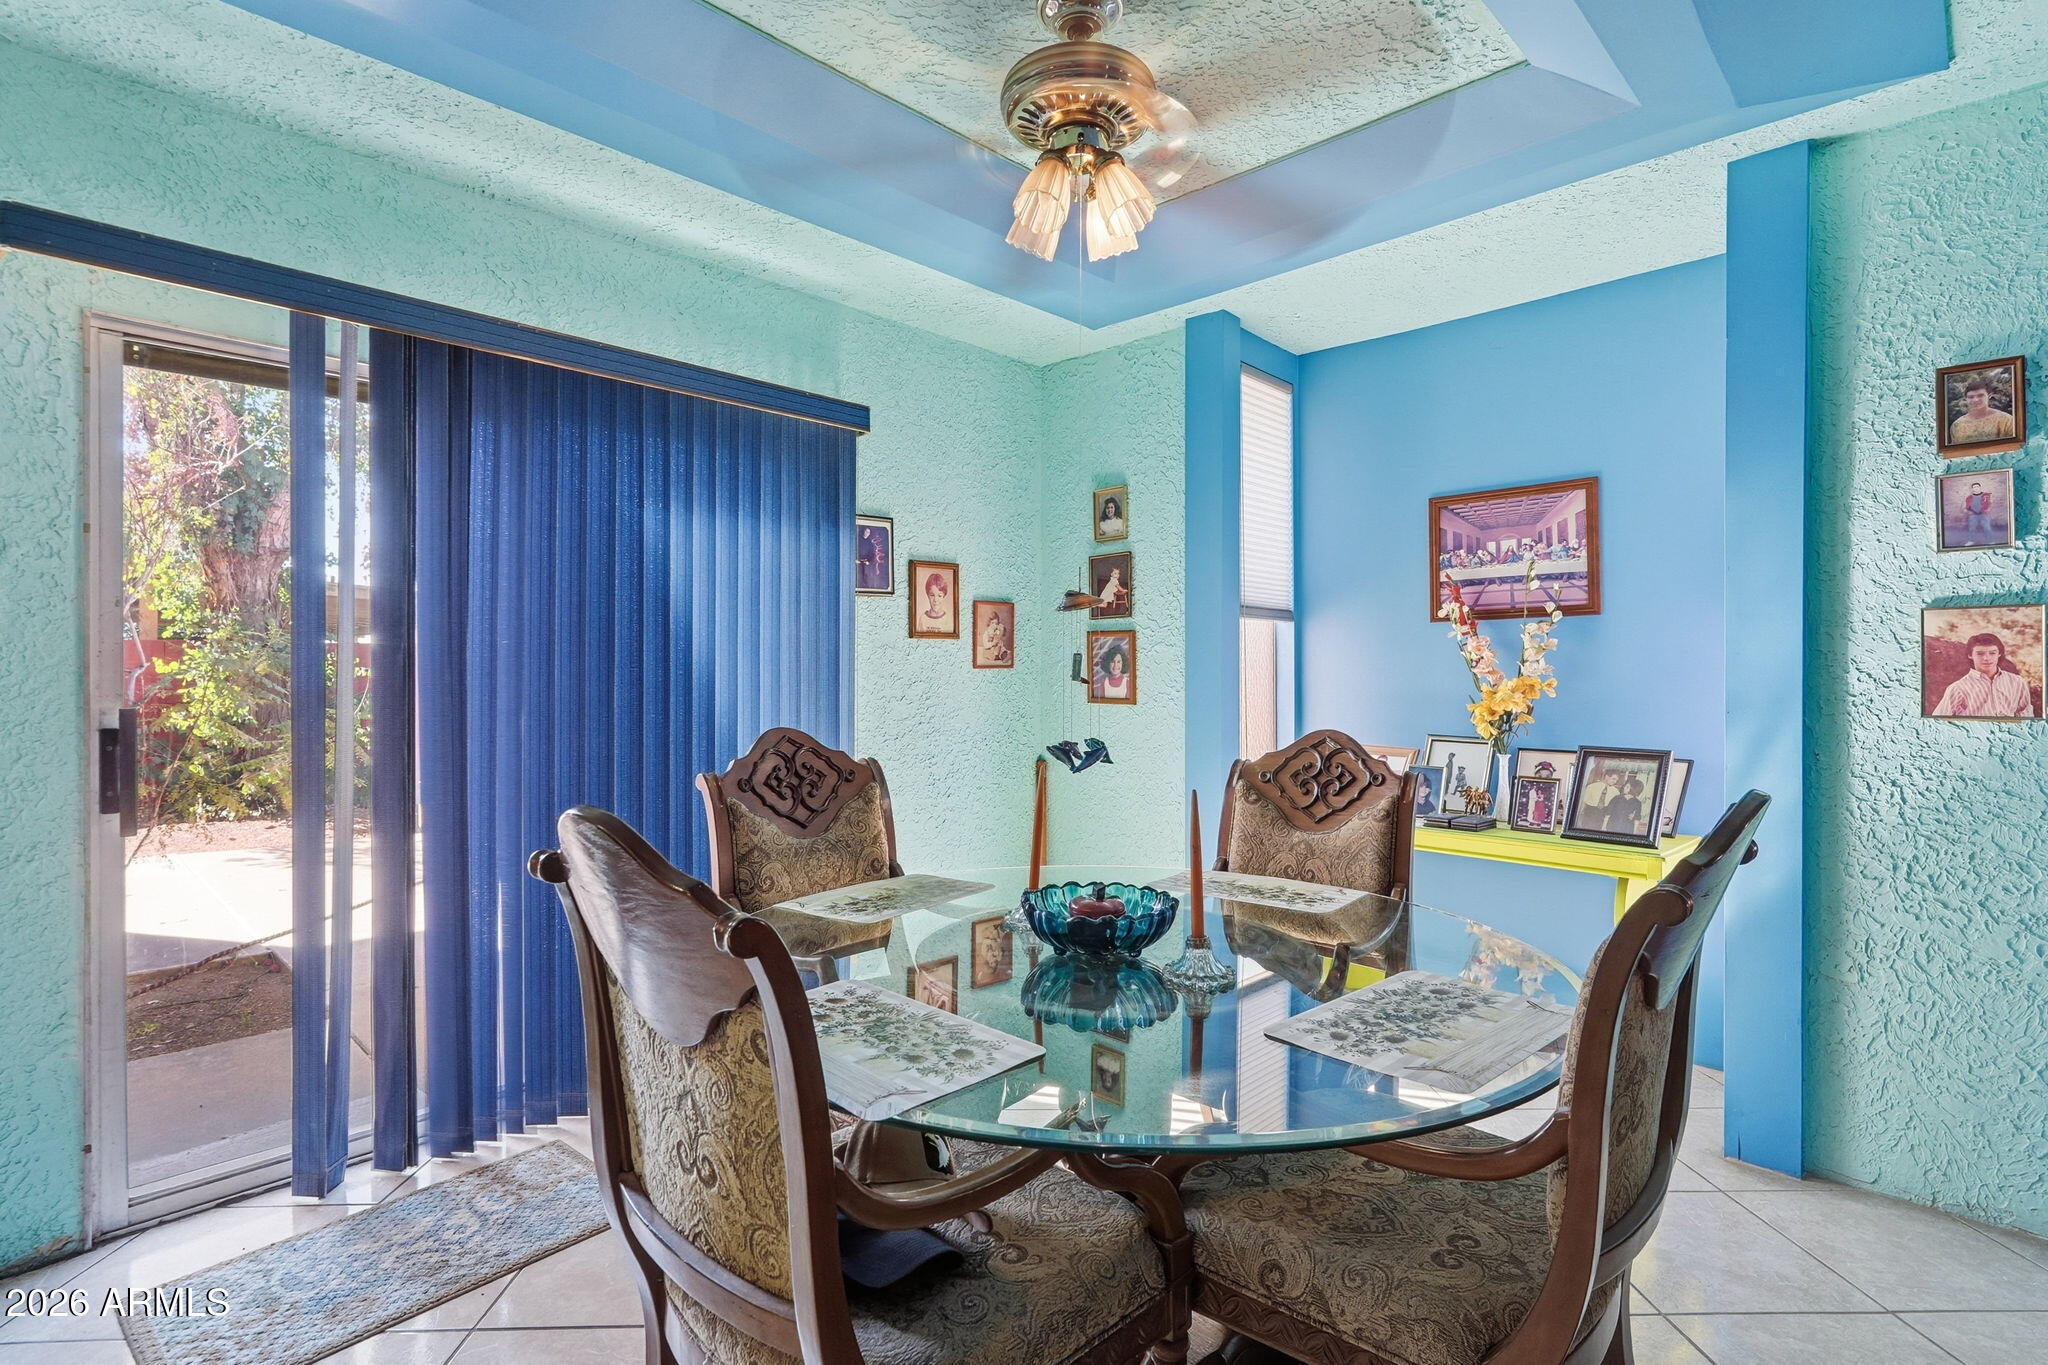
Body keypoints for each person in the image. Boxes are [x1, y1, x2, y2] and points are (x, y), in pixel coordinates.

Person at [1932, 632, 2036, 717]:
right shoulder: (1958, 688)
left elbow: (2025, 715)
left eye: (1992, 653)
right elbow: (1939, 721)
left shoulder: (2017, 682)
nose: (1986, 658)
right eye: (1980, 653)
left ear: (1999, 654)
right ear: (1970, 655)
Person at [1950, 375, 2016, 446]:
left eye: (1980, 395)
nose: (1975, 400)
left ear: (1989, 396)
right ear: (1966, 399)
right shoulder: (1958, 425)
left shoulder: (2006, 420)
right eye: (1971, 397)